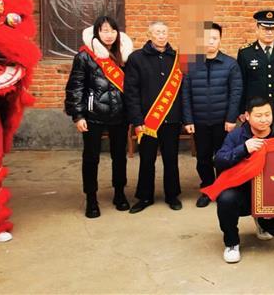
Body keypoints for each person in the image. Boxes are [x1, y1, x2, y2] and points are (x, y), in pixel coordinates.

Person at [64, 16, 133, 218]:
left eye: (112, 30)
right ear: (96, 33)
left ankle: (119, 193)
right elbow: (75, 87)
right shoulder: (85, 56)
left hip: (120, 115)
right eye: (104, 30)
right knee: (91, 158)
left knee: (119, 157)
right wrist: (78, 115)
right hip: (93, 114)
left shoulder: (125, 55)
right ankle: (91, 198)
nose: (109, 35)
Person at [214, 97, 274, 263]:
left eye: (267, 114)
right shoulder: (236, 136)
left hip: (269, 195)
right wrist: (243, 149)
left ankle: (261, 221)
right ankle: (231, 243)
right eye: (258, 116)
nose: (264, 119)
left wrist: (273, 205)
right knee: (226, 199)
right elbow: (219, 160)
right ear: (247, 116)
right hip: (242, 192)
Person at [182, 22, 243, 208]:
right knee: (203, 158)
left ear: (220, 40)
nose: (210, 42)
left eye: (214, 38)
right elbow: (185, 94)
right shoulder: (190, 65)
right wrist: (188, 119)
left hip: (223, 122)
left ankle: (223, 188)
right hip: (199, 121)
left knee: (223, 157)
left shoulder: (230, 64)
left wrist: (231, 118)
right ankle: (208, 189)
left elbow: (236, 93)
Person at [125, 21, 184, 213]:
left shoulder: (177, 58)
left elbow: (183, 91)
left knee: (171, 159)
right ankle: (145, 197)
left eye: (164, 32)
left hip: (172, 119)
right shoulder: (136, 58)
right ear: (149, 34)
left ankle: (172, 195)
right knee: (147, 160)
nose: (161, 35)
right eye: (157, 32)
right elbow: (131, 92)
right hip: (147, 121)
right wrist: (137, 120)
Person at [237, 10, 274, 133]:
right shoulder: (245, 53)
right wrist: (242, 109)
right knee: (255, 141)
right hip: (255, 110)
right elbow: (241, 83)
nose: (269, 32)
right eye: (265, 29)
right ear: (257, 29)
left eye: (273, 29)